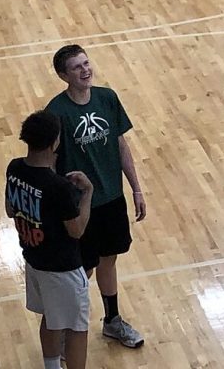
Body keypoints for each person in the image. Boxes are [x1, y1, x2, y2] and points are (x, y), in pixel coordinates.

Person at [45, 44, 146, 348]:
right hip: (80, 207)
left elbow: (120, 145)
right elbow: (49, 162)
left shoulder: (107, 98)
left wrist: (136, 188)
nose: (85, 70)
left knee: (108, 259)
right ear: (63, 75)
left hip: (112, 198)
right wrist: (56, 205)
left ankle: (112, 321)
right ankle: (65, 331)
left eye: (86, 63)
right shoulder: (56, 112)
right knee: (82, 271)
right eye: (77, 67)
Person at [5, 110, 94, 369]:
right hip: (63, 270)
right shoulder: (59, 187)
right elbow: (76, 230)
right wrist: (87, 193)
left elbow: (10, 210)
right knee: (76, 329)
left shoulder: (14, 168)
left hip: (34, 262)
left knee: (51, 318)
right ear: (55, 142)